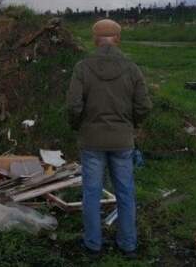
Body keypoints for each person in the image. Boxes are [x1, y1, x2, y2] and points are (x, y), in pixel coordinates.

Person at [66, 19, 152, 258]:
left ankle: (93, 246)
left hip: (91, 141)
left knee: (91, 194)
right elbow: (144, 105)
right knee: (125, 192)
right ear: (118, 39)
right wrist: (130, 125)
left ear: (95, 40)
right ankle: (128, 245)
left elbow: (73, 106)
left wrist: (79, 126)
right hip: (122, 141)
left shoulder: (82, 68)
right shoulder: (132, 68)